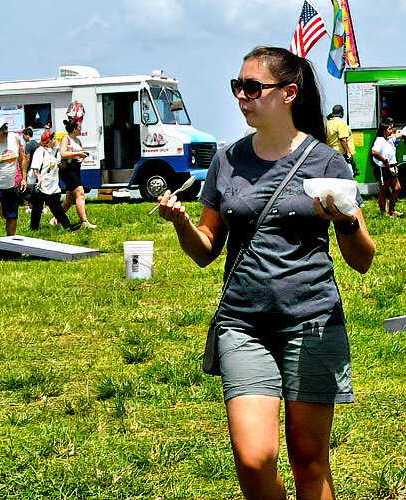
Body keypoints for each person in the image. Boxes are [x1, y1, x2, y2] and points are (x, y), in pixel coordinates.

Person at [155, 47, 373, 499]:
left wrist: (346, 219)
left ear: (288, 93)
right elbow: (205, 250)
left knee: (309, 460)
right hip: (242, 324)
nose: (241, 96)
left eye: (252, 87)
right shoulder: (227, 160)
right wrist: (181, 224)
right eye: (237, 86)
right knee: (254, 462)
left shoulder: (327, 163)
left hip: (312, 320)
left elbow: (362, 258)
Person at [25, 130, 74, 231]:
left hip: (52, 184)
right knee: (39, 208)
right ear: (48, 140)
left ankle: (66, 225)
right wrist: (39, 179)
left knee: (55, 207)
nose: (55, 140)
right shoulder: (40, 151)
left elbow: (60, 165)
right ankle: (34, 228)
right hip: (41, 184)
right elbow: (35, 167)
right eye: (53, 139)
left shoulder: (55, 151)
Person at [55, 118, 98, 229]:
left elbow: (77, 154)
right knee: (80, 193)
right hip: (67, 169)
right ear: (74, 129)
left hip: (75, 167)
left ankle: (56, 219)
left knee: (69, 198)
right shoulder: (66, 138)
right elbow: (63, 153)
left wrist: (81, 156)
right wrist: (78, 153)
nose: (81, 129)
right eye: (79, 127)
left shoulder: (78, 140)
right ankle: (84, 221)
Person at [370, 121, 403, 218]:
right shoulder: (379, 140)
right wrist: (384, 160)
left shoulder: (389, 139)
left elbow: (399, 136)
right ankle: (383, 211)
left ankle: (392, 209)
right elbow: (374, 152)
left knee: (397, 188)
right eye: (389, 129)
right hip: (382, 168)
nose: (391, 130)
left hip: (392, 167)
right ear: (383, 131)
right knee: (384, 190)